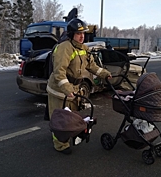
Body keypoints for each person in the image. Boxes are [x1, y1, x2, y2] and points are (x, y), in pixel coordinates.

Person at [46, 18, 112, 154]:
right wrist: (67, 89)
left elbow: (92, 66)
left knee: (71, 117)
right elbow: (59, 72)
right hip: (59, 89)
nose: (82, 36)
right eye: (78, 33)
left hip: (74, 89)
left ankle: (66, 134)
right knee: (60, 118)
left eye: (83, 33)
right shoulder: (64, 48)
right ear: (71, 34)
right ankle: (60, 144)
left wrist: (105, 74)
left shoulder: (84, 48)